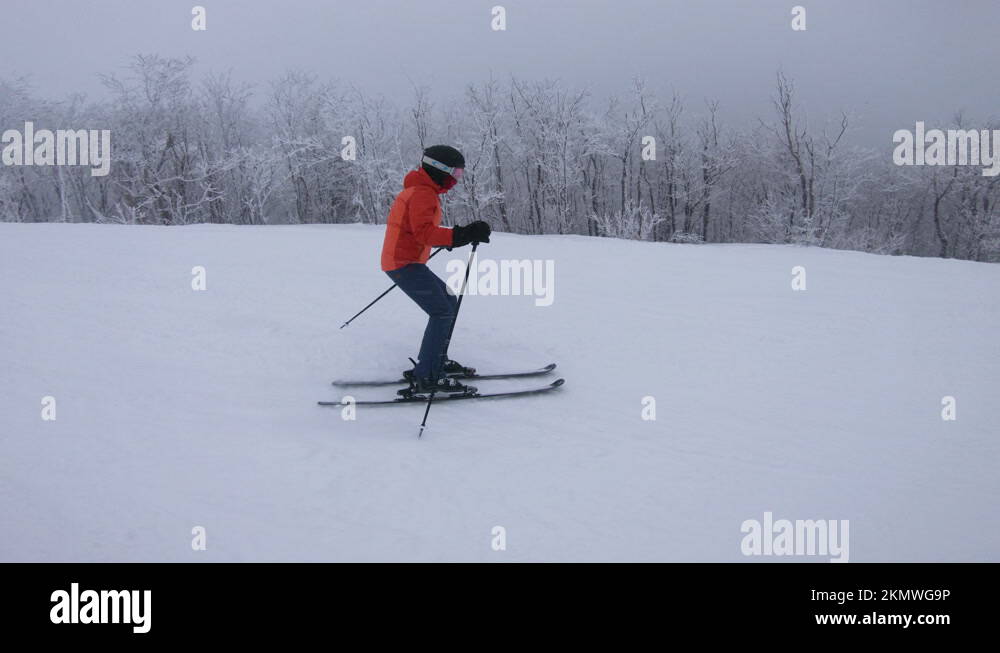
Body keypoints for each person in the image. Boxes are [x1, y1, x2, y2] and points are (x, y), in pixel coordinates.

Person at [380, 145, 491, 396]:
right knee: (441, 311)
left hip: (406, 261)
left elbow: (417, 232)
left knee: (448, 301)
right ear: (441, 169)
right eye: (456, 174)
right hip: (403, 263)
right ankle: (429, 375)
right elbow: (424, 233)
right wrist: (461, 235)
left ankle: (434, 360)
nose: (456, 180)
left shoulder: (420, 191)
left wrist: (453, 238)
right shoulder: (422, 194)